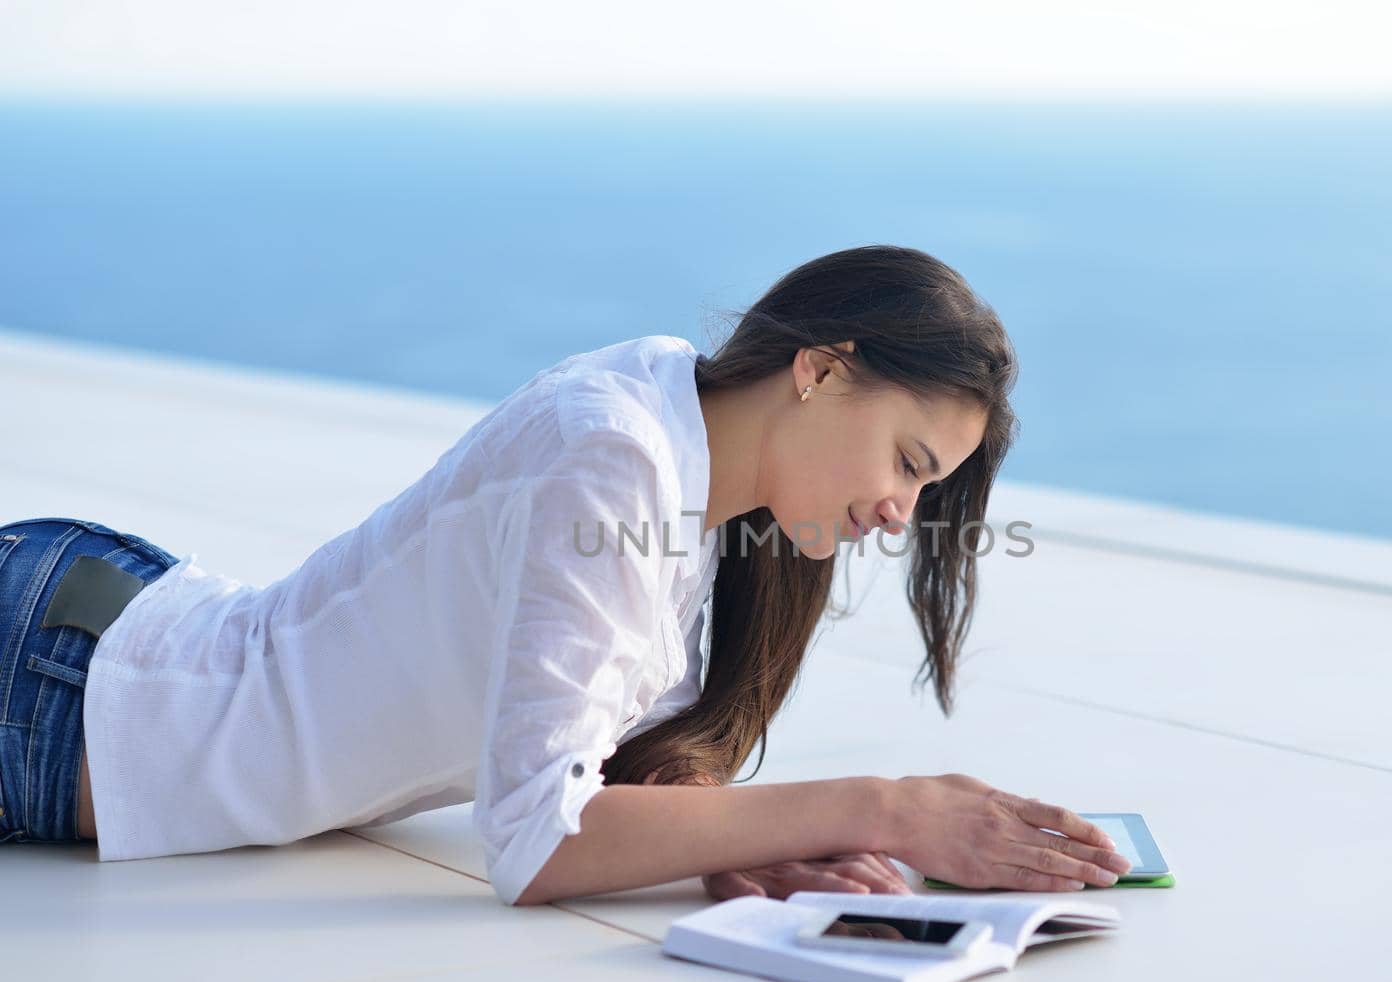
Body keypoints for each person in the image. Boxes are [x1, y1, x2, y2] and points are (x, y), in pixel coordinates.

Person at [0, 244, 1133, 906]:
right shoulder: (614, 454)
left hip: (106, 632)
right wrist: (885, 807)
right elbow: (537, 841)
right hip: (66, 692)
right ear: (821, 372)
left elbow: (589, 751)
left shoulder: (708, 478)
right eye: (907, 462)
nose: (902, 510)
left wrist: (743, 841)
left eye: (928, 492)